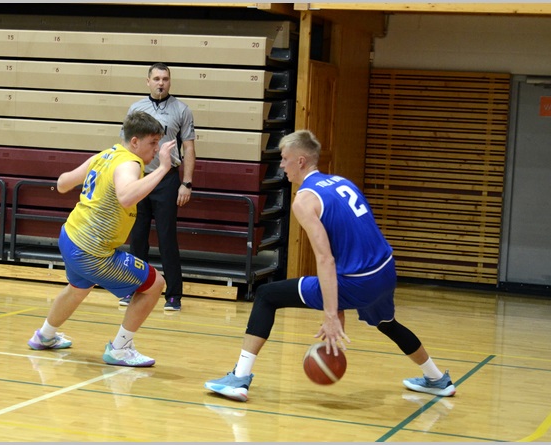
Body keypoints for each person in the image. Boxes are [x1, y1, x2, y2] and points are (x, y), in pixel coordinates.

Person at [204, 130, 456, 401]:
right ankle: (436, 379)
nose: (282, 165)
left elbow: (325, 258)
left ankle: (239, 379)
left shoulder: (304, 200)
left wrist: (331, 315)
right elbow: (357, 238)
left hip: (357, 281)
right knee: (387, 324)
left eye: (284, 158)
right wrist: (337, 305)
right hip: (384, 271)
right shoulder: (341, 182)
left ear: (301, 161)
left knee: (266, 296)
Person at [27, 111, 176, 367]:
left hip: (70, 236)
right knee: (155, 284)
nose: (157, 149)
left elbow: (62, 183)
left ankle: (45, 336)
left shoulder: (105, 155)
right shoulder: (130, 163)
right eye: (153, 143)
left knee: (78, 289)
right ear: (135, 142)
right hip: (90, 250)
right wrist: (163, 169)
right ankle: (120, 349)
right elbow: (126, 197)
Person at [118, 62, 196, 311]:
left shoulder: (182, 110)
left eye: (165, 79)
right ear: (148, 81)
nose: (161, 83)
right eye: (156, 78)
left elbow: (189, 148)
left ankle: (173, 295)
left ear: (169, 81)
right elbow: (124, 147)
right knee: (137, 237)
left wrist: (186, 183)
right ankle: (134, 288)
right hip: (140, 179)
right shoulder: (136, 109)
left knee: (166, 238)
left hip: (167, 181)